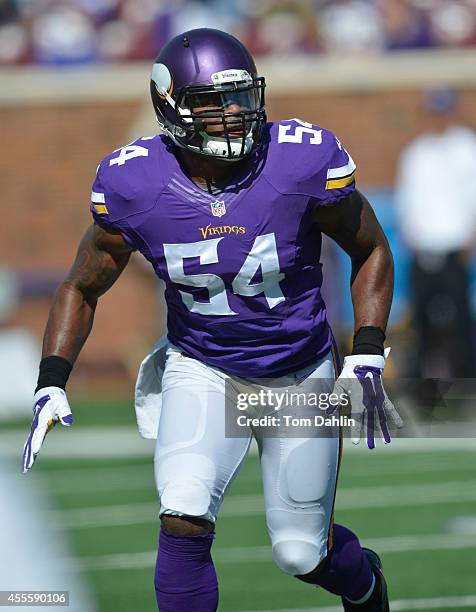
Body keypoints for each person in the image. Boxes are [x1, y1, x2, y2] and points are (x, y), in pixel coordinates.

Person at [22, 28, 402, 612]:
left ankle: (364, 581)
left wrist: (369, 349)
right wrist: (52, 380)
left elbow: (371, 247)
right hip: (204, 367)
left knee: (302, 553)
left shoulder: (298, 159)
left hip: (300, 373)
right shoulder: (134, 183)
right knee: (183, 515)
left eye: (241, 97)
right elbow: (83, 283)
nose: (231, 115)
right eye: (210, 101)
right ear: (170, 104)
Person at [395, 87, 476, 381]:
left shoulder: (467, 147)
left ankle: (466, 379)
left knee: (460, 318)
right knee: (422, 319)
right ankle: (424, 385)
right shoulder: (416, 152)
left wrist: (470, 236)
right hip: (423, 246)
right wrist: (411, 236)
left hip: (455, 245)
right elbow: (409, 198)